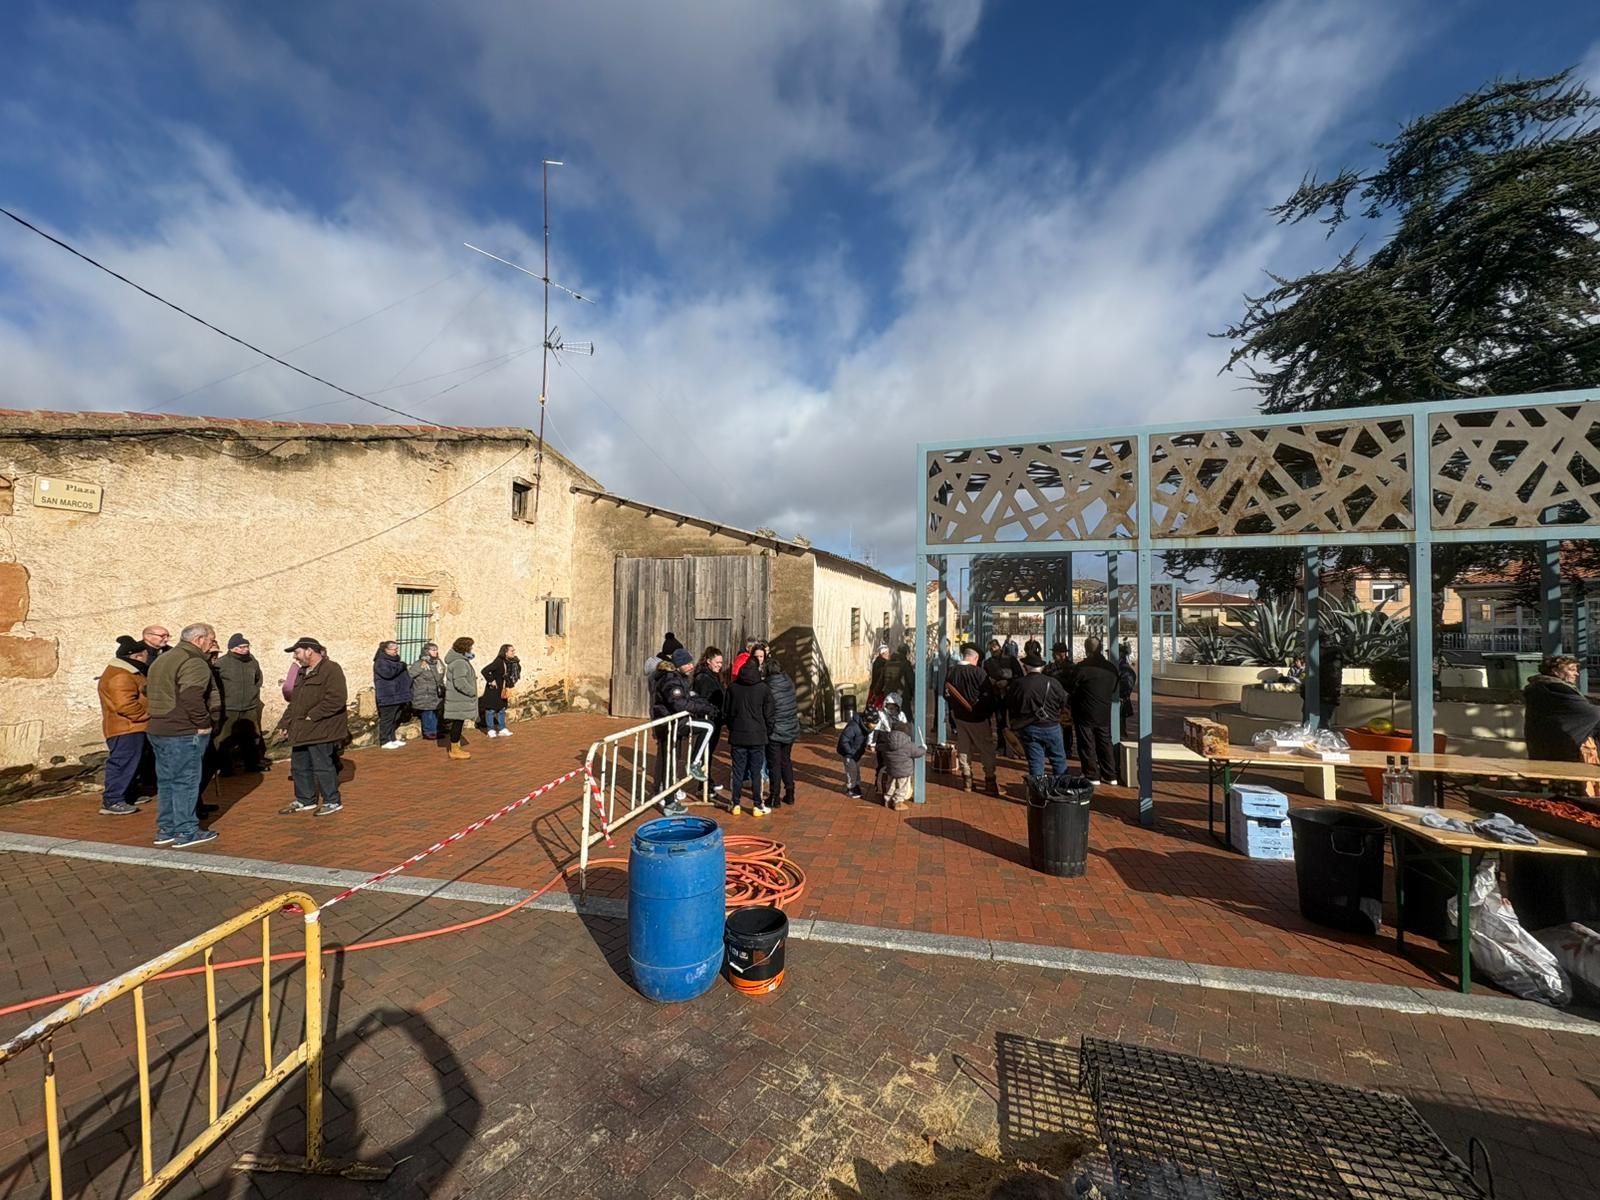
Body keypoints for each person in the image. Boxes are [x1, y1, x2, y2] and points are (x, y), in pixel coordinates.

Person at [145, 622, 221, 847]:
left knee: (167, 781)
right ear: (199, 640)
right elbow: (191, 696)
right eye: (210, 639)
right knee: (185, 781)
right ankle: (186, 830)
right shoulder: (193, 661)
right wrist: (204, 723)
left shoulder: (162, 659)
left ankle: (166, 829)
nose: (211, 644)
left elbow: (146, 689)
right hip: (182, 730)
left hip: (159, 727)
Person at [274, 637, 349, 814]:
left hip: (321, 727)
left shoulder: (331, 669)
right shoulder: (302, 672)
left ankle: (332, 801)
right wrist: (285, 722)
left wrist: (312, 715)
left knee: (322, 765)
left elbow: (337, 698)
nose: (295, 657)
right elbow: (295, 702)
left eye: (297, 652)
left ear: (310, 651)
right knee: (299, 766)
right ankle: (305, 800)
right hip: (301, 728)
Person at [651, 648, 720, 815]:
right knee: (708, 726)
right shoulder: (670, 680)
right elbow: (679, 704)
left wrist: (706, 705)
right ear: (678, 664)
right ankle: (694, 764)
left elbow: (689, 697)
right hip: (669, 725)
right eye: (687, 663)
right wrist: (705, 708)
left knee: (672, 763)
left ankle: (670, 801)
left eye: (691, 662)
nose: (690, 666)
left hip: (674, 725)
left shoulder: (679, 678)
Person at [1524, 655, 1600, 799]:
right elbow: (1589, 713)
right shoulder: (1555, 689)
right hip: (1566, 749)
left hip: (1544, 747)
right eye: (1571, 669)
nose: (1576, 674)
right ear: (1555, 671)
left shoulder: (1539, 688)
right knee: (1572, 793)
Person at [97, 635, 152, 815]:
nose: (148, 657)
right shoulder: (121, 675)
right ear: (136, 656)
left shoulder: (128, 672)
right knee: (122, 763)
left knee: (132, 764)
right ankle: (112, 800)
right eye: (145, 654)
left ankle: (128, 794)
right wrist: (145, 716)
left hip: (132, 727)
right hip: (126, 728)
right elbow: (125, 704)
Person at [946, 644, 1000, 794]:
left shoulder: (952, 672)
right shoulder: (979, 673)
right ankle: (990, 781)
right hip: (978, 718)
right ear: (975, 657)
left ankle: (967, 780)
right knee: (986, 749)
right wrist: (988, 713)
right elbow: (989, 697)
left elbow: (947, 694)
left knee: (963, 748)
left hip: (960, 717)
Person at [726, 654, 776, 816]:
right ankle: (757, 804)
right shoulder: (763, 689)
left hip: (738, 734)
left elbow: (727, 712)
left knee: (737, 770)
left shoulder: (733, 688)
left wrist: (732, 727)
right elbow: (769, 714)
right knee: (756, 772)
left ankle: (735, 803)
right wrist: (767, 731)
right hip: (758, 735)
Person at [1010, 654, 1071, 779]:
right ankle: (1062, 789)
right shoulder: (1053, 682)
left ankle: (1038, 792)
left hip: (1030, 727)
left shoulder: (1018, 684)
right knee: (1059, 760)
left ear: (1026, 667)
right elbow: (1063, 701)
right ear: (1042, 667)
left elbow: (1011, 704)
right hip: (1052, 726)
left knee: (1035, 762)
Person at [215, 633, 268, 774]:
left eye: (247, 646)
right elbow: (216, 684)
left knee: (251, 738)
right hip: (229, 707)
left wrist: (253, 693)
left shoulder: (252, 662)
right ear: (232, 648)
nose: (245, 649)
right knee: (224, 738)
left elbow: (258, 679)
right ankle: (225, 768)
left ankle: (252, 765)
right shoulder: (221, 663)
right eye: (241, 647)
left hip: (249, 707)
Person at [1071, 636, 1119, 786]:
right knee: (1105, 742)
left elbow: (1072, 687)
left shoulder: (1082, 667)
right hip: (1104, 710)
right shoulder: (1110, 667)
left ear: (1086, 650)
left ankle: (1091, 774)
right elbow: (1115, 688)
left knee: (1087, 743)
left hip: (1084, 710)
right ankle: (1110, 774)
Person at [692, 647, 728, 794]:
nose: (720, 665)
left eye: (721, 662)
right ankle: (703, 785)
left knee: (710, 751)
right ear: (708, 661)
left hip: (716, 720)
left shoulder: (714, 676)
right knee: (706, 751)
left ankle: (707, 780)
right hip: (709, 720)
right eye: (717, 662)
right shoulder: (704, 678)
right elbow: (704, 700)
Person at [766, 656, 800, 807]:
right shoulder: (789, 682)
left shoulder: (768, 686)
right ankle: (790, 793)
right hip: (791, 727)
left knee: (774, 764)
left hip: (776, 730)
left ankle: (774, 796)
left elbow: (768, 710)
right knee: (786, 760)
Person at [875, 720, 925, 811]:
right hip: (904, 771)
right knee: (902, 787)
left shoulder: (887, 743)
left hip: (891, 770)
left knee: (891, 785)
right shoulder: (909, 745)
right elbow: (918, 753)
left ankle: (887, 799)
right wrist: (923, 748)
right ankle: (898, 802)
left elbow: (879, 748)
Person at [441, 637, 478, 760]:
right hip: (459, 699)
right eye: (470, 647)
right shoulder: (459, 663)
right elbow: (460, 682)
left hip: (459, 699)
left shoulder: (460, 660)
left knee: (458, 724)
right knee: (457, 724)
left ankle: (456, 748)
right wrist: (472, 692)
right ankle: (454, 750)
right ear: (465, 648)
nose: (472, 649)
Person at [372, 640, 410, 749]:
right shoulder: (381, 662)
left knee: (395, 718)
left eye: (396, 649)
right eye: (393, 649)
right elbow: (388, 674)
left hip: (398, 695)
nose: (396, 651)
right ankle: (384, 740)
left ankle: (392, 738)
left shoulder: (395, 661)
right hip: (388, 695)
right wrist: (401, 666)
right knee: (387, 719)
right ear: (386, 650)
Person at [481, 644, 521, 738]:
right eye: (511, 651)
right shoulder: (499, 662)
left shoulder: (511, 662)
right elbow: (485, 670)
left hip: (503, 689)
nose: (513, 652)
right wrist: (491, 680)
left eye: (514, 650)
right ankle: (490, 729)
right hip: (494, 690)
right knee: (491, 710)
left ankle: (502, 728)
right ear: (505, 652)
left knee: (502, 709)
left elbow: (511, 674)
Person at [837, 704, 876, 800]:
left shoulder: (866, 728)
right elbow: (843, 740)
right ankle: (851, 788)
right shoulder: (853, 727)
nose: (875, 725)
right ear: (866, 721)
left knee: (857, 770)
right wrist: (850, 752)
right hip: (849, 754)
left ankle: (856, 785)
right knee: (851, 771)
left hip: (857, 753)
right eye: (873, 723)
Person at [408, 642, 445, 739]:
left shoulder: (439, 663)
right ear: (426, 651)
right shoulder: (419, 664)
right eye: (433, 650)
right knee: (427, 712)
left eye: (436, 650)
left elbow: (441, 675)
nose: (435, 652)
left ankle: (437, 730)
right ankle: (429, 732)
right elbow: (410, 675)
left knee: (436, 711)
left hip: (436, 692)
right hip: (424, 693)